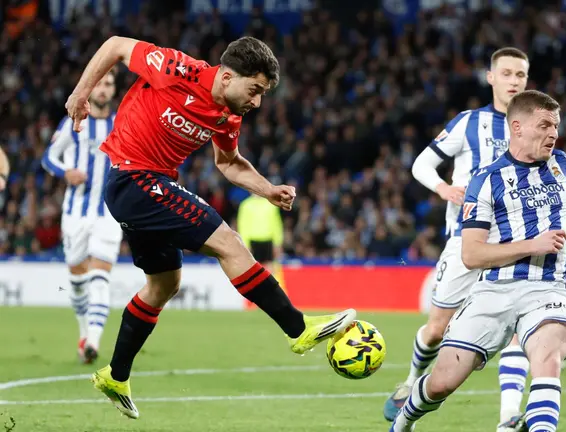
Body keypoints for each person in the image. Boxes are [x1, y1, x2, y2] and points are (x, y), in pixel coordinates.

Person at [64, 35, 356, 419]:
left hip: (143, 187)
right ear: (227, 76)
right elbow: (117, 45)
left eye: (263, 94)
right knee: (229, 243)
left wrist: (267, 190)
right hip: (134, 179)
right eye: (254, 90)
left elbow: (229, 163)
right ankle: (298, 329)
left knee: (164, 285)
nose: (257, 102)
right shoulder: (175, 68)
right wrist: (81, 94)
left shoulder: (228, 115)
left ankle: (115, 376)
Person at [388, 90, 566, 432]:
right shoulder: (486, 181)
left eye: (556, 125)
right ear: (518, 127)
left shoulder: (564, 165)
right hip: (494, 291)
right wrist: (533, 244)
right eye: (544, 125)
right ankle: (402, 422)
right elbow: (472, 254)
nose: (553, 133)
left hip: (548, 289)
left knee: (547, 358)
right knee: (441, 383)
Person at [384, 47, 533, 430]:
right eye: (507, 73)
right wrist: (443, 188)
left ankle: (508, 417)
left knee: (517, 330)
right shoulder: (469, 123)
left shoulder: (536, 125)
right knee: (436, 329)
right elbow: (422, 163)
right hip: (466, 244)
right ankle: (410, 381)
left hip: (515, 247)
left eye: (521, 75)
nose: (514, 81)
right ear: (491, 77)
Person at [42, 70, 121, 364]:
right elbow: (48, 157)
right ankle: (84, 331)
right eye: (99, 83)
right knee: (76, 283)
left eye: (109, 84)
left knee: (100, 278)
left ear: (113, 91)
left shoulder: (121, 125)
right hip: (74, 213)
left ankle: (94, 342)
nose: (103, 89)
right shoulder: (74, 122)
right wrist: (66, 172)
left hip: (108, 215)